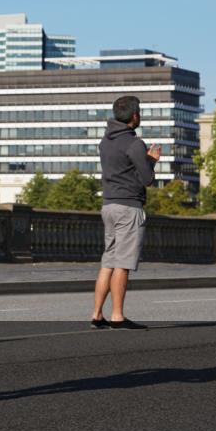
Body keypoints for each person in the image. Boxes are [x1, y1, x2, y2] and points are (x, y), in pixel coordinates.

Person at [91, 95, 160, 330]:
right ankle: (118, 316)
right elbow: (147, 179)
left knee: (108, 261)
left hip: (108, 204)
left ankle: (97, 314)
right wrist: (152, 160)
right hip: (129, 206)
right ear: (134, 116)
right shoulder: (134, 144)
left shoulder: (105, 141)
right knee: (123, 263)